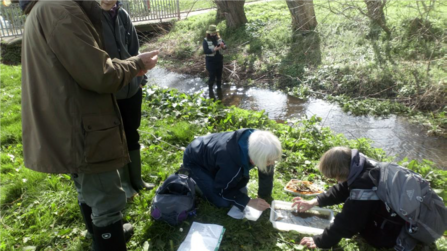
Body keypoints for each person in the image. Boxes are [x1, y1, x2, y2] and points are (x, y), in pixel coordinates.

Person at [20, 0, 158, 250]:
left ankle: (99, 234)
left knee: (86, 186)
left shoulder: (44, 8)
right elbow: (101, 75)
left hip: (69, 119)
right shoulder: (59, 10)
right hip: (83, 123)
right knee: (106, 196)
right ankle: (107, 236)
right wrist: (137, 64)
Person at [292, 147, 405, 249]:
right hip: (393, 212)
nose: (336, 181)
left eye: (335, 177)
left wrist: (320, 241)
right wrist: (314, 202)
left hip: (393, 230)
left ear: (341, 172)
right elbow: (342, 189)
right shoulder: (361, 165)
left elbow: (348, 221)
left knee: (370, 235)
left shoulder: (364, 184)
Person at [99, 0, 154, 199]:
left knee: (132, 132)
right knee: (115, 138)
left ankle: (137, 180)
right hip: (109, 92)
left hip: (132, 88)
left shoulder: (122, 14)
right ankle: (123, 185)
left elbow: (134, 50)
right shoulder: (89, 17)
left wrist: (141, 79)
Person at [183, 129, 282, 212]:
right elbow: (221, 190)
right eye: (269, 161)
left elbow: (266, 169)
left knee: (240, 191)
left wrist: (264, 195)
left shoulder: (260, 143)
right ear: (254, 158)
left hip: (209, 152)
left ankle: (215, 174)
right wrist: (249, 202)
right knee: (223, 202)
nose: (272, 163)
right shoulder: (232, 163)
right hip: (194, 161)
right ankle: (194, 181)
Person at [203, 24, 226, 93]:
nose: (213, 34)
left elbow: (225, 47)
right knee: (212, 76)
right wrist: (214, 49)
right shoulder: (205, 40)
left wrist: (223, 46)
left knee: (219, 76)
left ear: (216, 32)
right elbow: (205, 51)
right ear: (208, 33)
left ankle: (219, 89)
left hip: (219, 60)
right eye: (211, 33)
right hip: (210, 61)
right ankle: (210, 90)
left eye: (214, 33)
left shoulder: (219, 38)